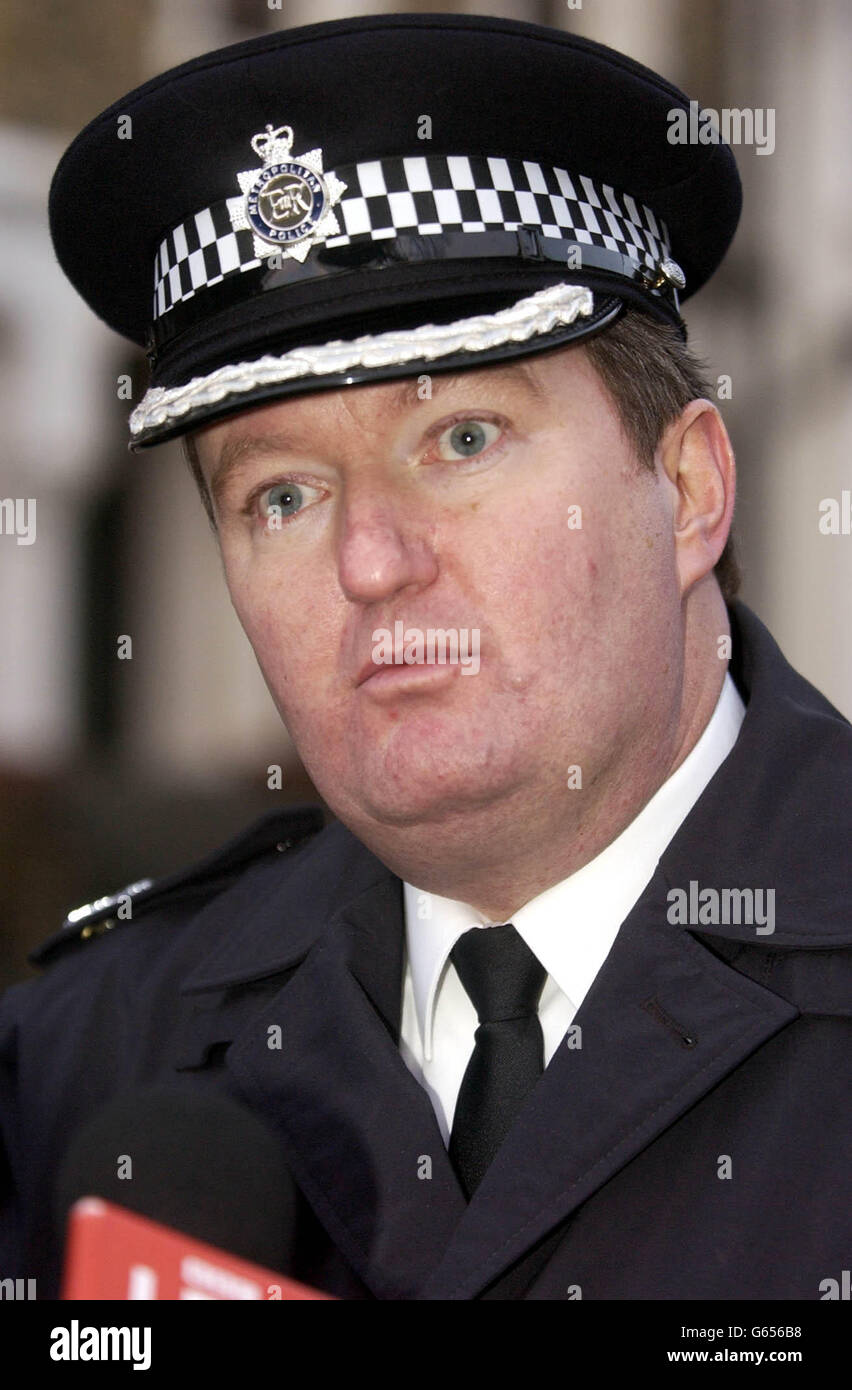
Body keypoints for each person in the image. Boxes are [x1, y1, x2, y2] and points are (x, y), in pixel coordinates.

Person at [1, 12, 849, 1301]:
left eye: (461, 440)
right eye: (282, 497)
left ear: (684, 488)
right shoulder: (91, 1055)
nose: (372, 563)